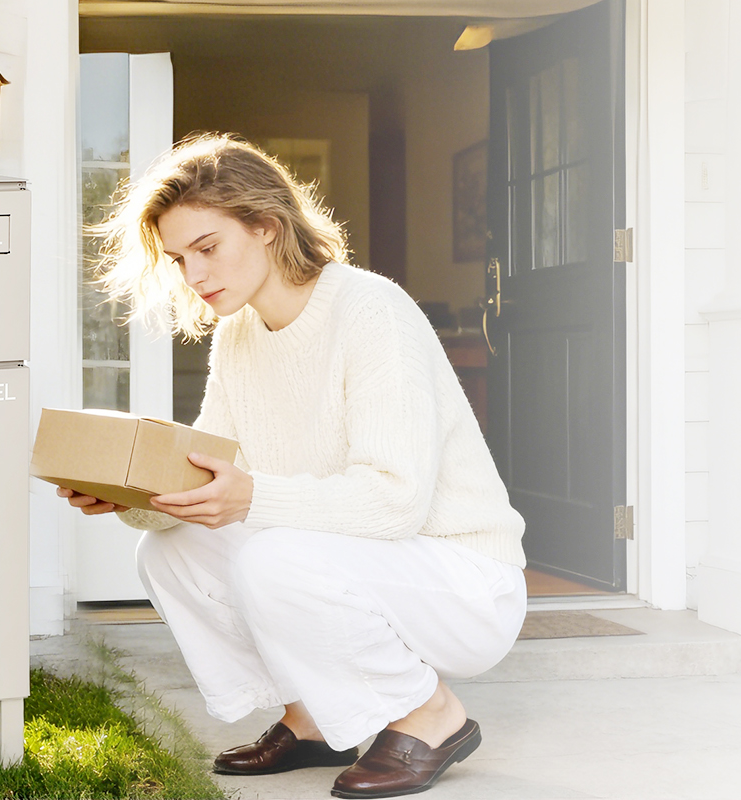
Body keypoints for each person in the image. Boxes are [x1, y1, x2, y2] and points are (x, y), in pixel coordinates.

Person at [58, 131, 528, 799]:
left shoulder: (372, 311)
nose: (193, 276)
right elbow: (206, 476)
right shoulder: (239, 335)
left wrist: (249, 499)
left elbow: (395, 502)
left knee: (271, 557)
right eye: (178, 259)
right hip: (363, 562)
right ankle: (308, 716)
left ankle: (430, 714)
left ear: (268, 228)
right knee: (168, 552)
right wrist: (127, 493)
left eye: (207, 248)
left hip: (462, 580)